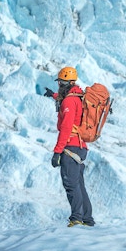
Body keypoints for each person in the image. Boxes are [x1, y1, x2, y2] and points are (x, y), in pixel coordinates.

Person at [44, 66, 95, 227]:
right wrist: (53, 95)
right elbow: (66, 101)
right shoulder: (77, 97)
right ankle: (87, 219)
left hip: (70, 147)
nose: (59, 85)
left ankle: (76, 218)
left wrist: (57, 152)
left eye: (60, 82)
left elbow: (66, 128)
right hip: (80, 147)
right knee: (78, 184)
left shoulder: (69, 101)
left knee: (71, 184)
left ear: (66, 83)